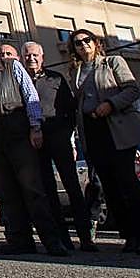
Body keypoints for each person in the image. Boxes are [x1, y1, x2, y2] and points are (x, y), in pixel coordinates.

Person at [0, 32, 67, 257]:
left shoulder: (11, 66)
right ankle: (20, 240)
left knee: (33, 189)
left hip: (16, 135)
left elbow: (30, 96)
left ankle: (52, 241)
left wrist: (35, 126)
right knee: (6, 193)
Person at [68, 30, 140, 255]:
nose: (83, 46)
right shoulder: (76, 71)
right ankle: (129, 237)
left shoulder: (112, 62)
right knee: (109, 187)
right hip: (92, 132)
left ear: (96, 43)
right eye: (77, 43)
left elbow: (132, 90)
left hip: (116, 128)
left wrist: (111, 104)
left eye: (86, 41)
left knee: (128, 183)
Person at [24, 42, 97, 252]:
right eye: (27, 55)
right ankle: (62, 238)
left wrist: (70, 139)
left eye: (35, 55)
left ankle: (85, 237)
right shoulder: (21, 81)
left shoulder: (55, 79)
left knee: (72, 186)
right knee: (48, 190)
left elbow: (70, 110)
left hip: (59, 136)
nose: (31, 59)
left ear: (42, 56)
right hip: (35, 141)